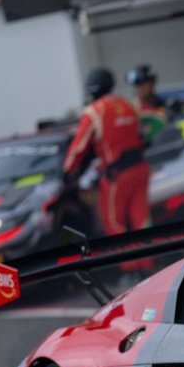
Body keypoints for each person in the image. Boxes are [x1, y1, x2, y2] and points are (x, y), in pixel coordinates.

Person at [63, 69, 152, 260]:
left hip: (116, 175)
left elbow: (78, 148)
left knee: (114, 222)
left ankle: (128, 267)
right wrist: (146, 139)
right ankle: (147, 262)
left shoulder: (94, 111)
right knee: (141, 219)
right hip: (140, 169)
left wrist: (67, 171)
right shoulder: (129, 103)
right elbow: (156, 120)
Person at [126, 64, 181, 142]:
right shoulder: (130, 108)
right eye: (136, 85)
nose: (139, 88)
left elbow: (175, 130)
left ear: (152, 83)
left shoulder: (169, 104)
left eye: (142, 84)